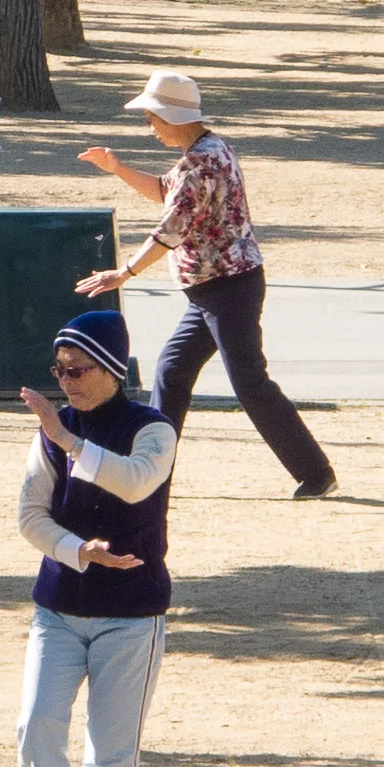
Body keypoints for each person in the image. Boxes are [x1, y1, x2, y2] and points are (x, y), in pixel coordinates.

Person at [76, 68, 337, 500]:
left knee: (249, 382)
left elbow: (171, 227)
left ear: (172, 117)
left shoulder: (202, 161)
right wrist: (117, 167)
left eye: (152, 118)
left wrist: (123, 273)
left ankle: (315, 471)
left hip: (228, 288)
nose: (150, 127)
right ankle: (150, 473)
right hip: (213, 290)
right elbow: (167, 192)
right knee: (172, 373)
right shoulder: (205, 151)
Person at [13, 309, 176, 767]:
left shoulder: (151, 428)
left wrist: (71, 441)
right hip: (57, 608)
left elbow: (136, 483)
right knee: (35, 727)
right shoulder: (54, 431)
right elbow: (31, 517)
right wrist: (78, 551)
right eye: (58, 369)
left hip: (133, 617)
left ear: (111, 369)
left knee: (111, 754)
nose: (66, 380)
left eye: (77, 368)